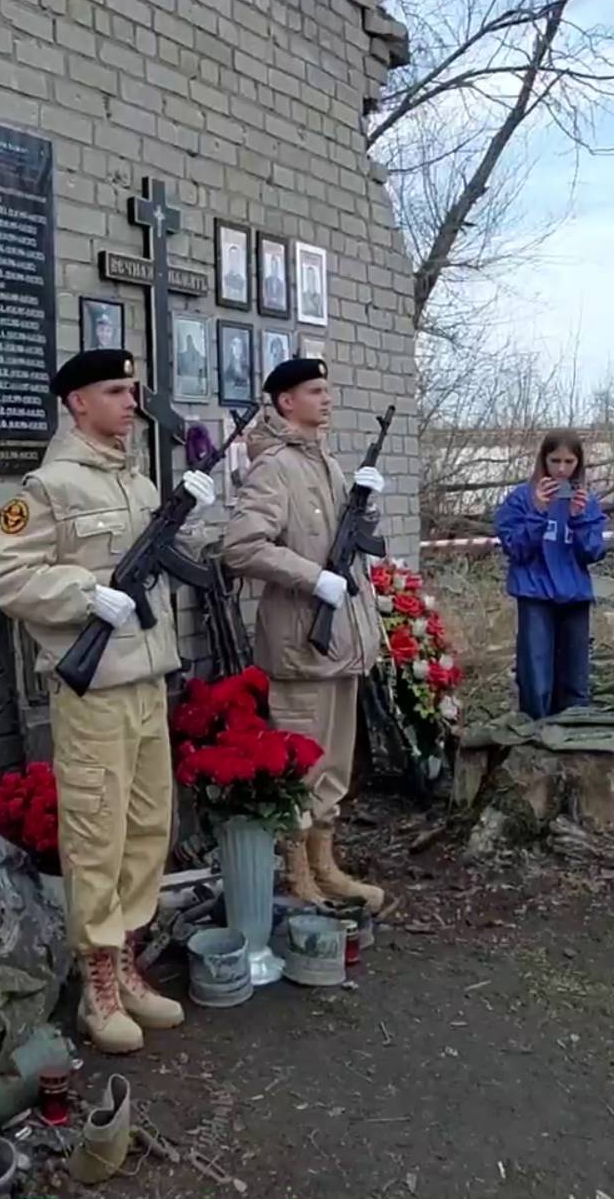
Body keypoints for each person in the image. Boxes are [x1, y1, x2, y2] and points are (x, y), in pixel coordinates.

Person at [0, 349, 219, 1055]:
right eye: (115, 391)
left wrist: (195, 512)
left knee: (149, 827)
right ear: (77, 402)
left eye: (131, 389)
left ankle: (130, 962)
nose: (129, 402)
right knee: (98, 833)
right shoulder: (47, 488)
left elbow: (169, 558)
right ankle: (98, 985)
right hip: (92, 692)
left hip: (147, 682)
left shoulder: (140, 481)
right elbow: (6, 578)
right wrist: (87, 594)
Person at [222, 357, 390, 914]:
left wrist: (364, 505)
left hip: (340, 646)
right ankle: (297, 875)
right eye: (315, 391)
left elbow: (344, 549)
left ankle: (324, 865)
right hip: (301, 646)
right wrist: (311, 577)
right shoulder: (274, 468)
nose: (328, 398)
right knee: (303, 767)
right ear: (285, 402)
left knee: (334, 769)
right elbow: (241, 546)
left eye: (327, 389)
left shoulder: (328, 465)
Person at [495, 431, 609, 719]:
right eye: (554, 460)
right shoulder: (521, 498)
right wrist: (539, 511)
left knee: (575, 673)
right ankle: (535, 731)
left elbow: (594, 552)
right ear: (543, 460)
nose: (561, 469)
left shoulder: (586, 501)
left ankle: (572, 733)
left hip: (574, 595)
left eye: (568, 461)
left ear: (578, 463)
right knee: (536, 673)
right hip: (535, 593)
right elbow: (516, 548)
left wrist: (579, 517)